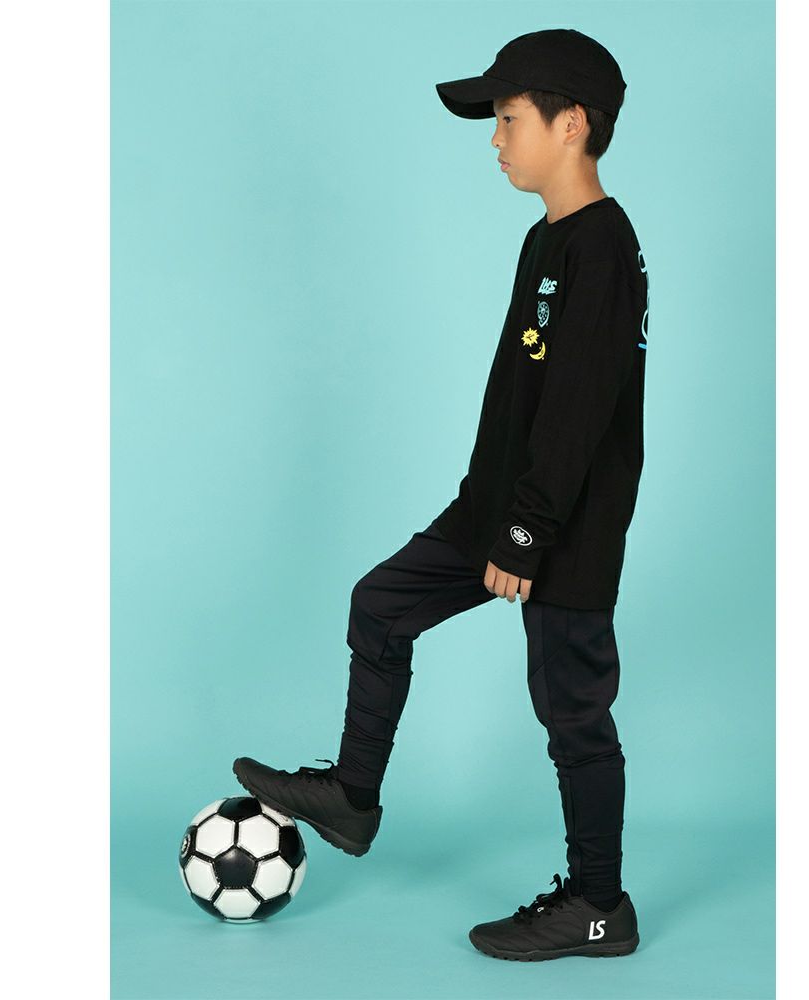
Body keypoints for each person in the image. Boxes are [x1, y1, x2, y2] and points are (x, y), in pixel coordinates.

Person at [233, 27, 649, 962]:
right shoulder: (546, 239)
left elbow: (581, 407)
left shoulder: (604, 249)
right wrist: (493, 514)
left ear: (572, 125)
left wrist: (528, 532)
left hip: (562, 526)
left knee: (573, 712)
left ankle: (598, 904)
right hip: (497, 507)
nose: (495, 139)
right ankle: (353, 797)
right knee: (380, 605)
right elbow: (523, 397)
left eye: (509, 119)